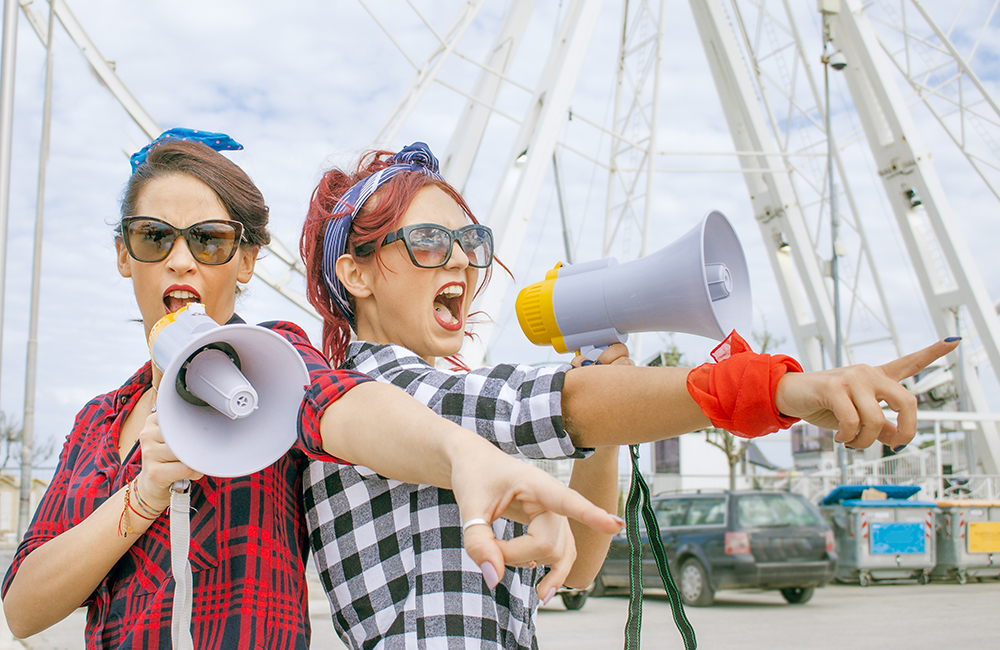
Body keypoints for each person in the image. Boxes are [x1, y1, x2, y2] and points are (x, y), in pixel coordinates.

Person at [299, 141, 961, 650]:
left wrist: (606, 420)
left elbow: (579, 567)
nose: (458, 260)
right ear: (355, 274)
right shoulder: (370, 395)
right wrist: (779, 388)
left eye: (471, 243)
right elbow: (542, 404)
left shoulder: (461, 423)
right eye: (426, 241)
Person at [0, 130, 624, 649]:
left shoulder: (275, 363)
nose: (181, 260)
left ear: (246, 261)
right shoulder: (99, 421)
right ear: (123, 254)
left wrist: (464, 452)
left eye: (210, 240)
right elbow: (23, 607)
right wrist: (142, 496)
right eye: (154, 236)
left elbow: (344, 406)